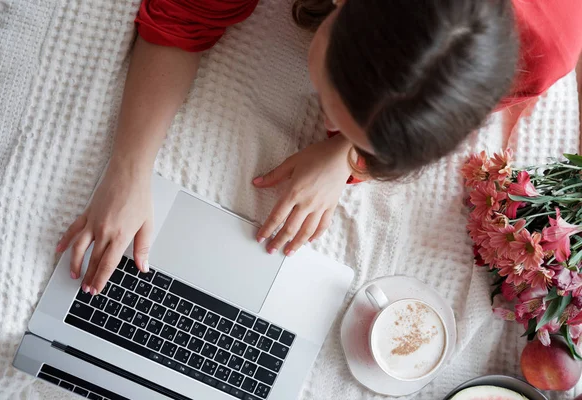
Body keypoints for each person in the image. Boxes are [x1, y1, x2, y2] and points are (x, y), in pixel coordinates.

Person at [56, 0, 582, 296]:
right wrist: (128, 169)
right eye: (332, 105)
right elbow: (183, 16)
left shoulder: (545, 47)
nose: (325, 124)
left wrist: (343, 161)